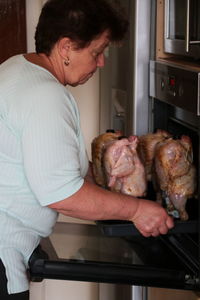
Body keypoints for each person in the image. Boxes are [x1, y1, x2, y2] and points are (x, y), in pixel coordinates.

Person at [0, 0, 174, 298]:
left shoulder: (17, 67)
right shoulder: (45, 96)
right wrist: (136, 210)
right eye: (97, 51)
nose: (102, 62)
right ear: (66, 47)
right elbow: (61, 193)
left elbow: (45, 167)